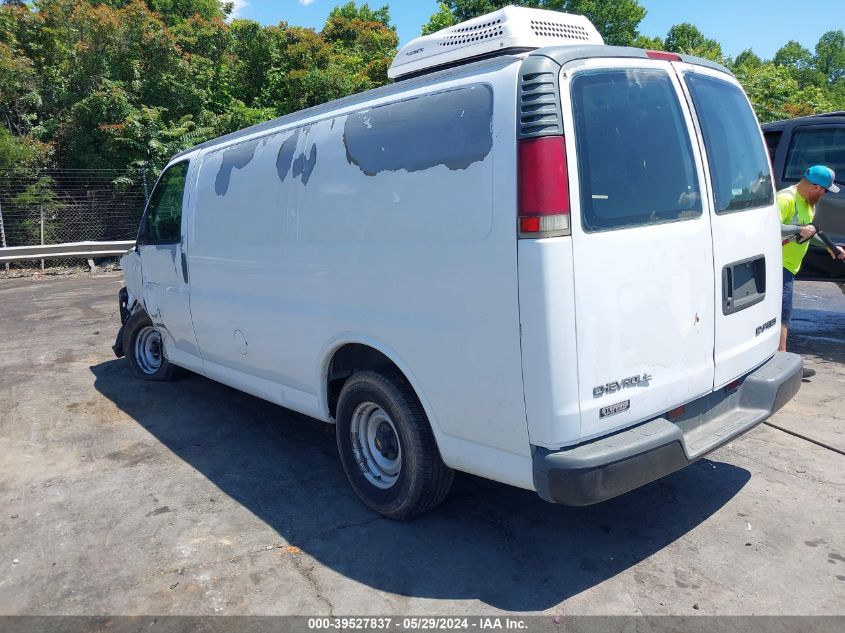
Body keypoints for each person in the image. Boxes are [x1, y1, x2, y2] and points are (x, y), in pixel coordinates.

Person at [778, 164, 845, 377]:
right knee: (783, 316)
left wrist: (829, 247)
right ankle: (783, 366)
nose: (825, 194)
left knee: (782, 314)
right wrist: (799, 229)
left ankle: (780, 362)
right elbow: (768, 225)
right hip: (777, 265)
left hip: (790, 266)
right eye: (825, 190)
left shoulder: (808, 203)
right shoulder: (785, 199)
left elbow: (808, 232)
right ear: (816, 187)